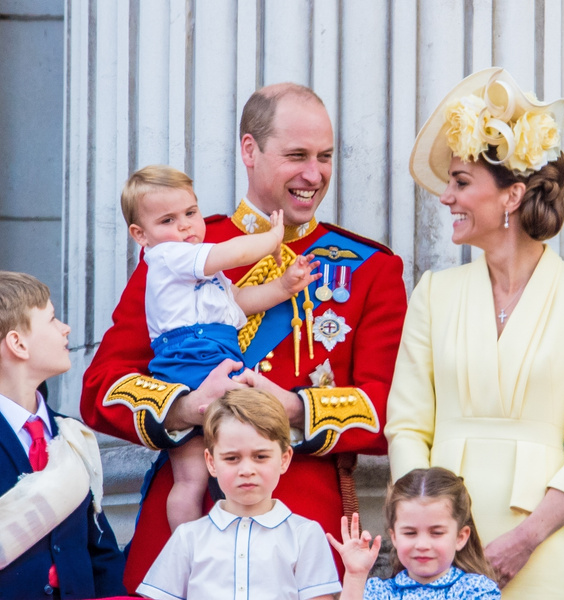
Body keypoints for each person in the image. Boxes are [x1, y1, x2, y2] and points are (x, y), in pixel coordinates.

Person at [81, 82, 407, 593]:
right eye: (296, 155)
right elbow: (101, 386)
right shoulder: (183, 246)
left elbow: (389, 410)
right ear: (249, 150)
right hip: (188, 518)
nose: (313, 174)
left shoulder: (370, 269)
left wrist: (296, 408)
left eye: (324, 157)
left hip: (300, 523)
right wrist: (185, 407)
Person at [384, 67, 564, 599]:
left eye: (462, 182)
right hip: (438, 549)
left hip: (541, 542)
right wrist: (423, 528)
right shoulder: (433, 291)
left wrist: (528, 537)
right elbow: (405, 425)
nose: (446, 198)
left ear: (512, 196)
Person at [121, 164, 320, 531]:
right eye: (168, 219)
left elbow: (239, 302)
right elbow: (230, 253)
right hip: (191, 360)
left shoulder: (198, 269)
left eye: (191, 213)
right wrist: (274, 237)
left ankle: (209, 546)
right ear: (141, 234)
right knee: (206, 473)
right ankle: (188, 548)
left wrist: (284, 287)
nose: (184, 226)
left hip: (209, 355)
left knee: (199, 477)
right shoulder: (169, 256)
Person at [137, 389, 341, 600]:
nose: (246, 470)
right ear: (211, 462)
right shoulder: (188, 537)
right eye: (232, 458)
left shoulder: (304, 535)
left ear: (284, 459)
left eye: (260, 456)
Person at [0, 271, 126, 599]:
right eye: (53, 320)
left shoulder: (73, 435)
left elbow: (99, 549)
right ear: (18, 343)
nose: (65, 328)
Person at [327, 467, 500, 599]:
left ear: (460, 537)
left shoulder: (476, 590)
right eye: (410, 533)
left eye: (437, 533)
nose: (422, 545)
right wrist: (355, 575)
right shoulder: (379, 592)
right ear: (394, 536)